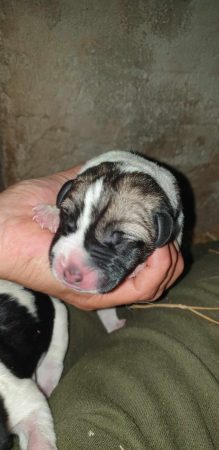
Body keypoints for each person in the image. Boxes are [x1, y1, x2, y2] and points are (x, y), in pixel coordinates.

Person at [0, 166, 184, 310]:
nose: (72, 272)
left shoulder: (160, 216)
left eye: (117, 242)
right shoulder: (85, 183)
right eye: (69, 224)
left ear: (163, 231)